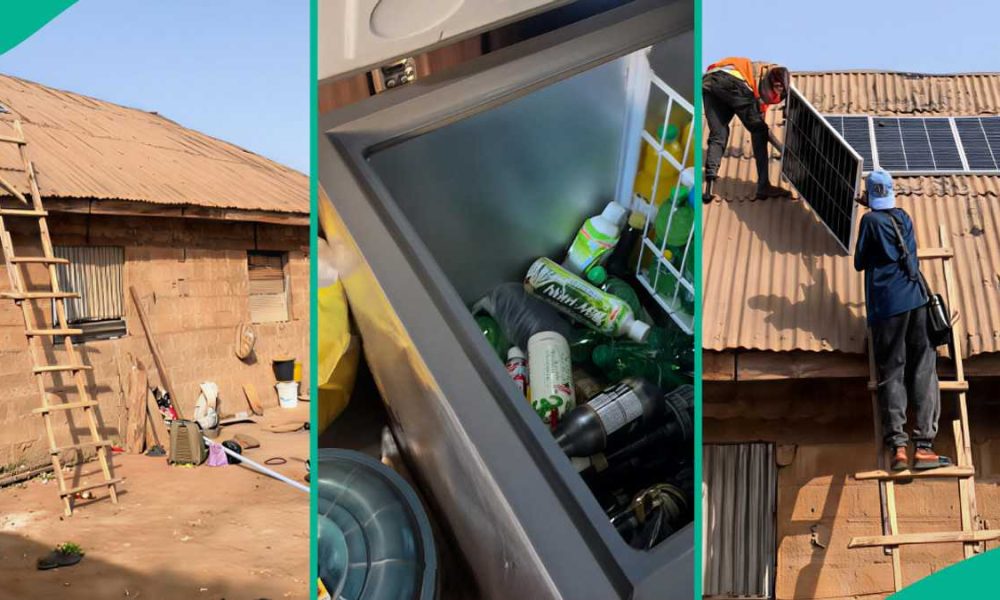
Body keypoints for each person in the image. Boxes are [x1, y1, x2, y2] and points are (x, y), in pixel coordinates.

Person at [854, 169, 950, 471]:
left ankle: (897, 447)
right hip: (916, 300)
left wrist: (867, 210)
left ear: (869, 196)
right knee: (924, 370)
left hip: (888, 308)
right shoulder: (904, 217)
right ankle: (924, 447)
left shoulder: (869, 221)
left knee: (892, 372)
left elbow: (859, 261)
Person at [702, 57, 791, 203]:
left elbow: (758, 117)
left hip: (709, 82)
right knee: (759, 131)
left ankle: (709, 186)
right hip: (731, 81)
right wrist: (783, 149)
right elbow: (760, 128)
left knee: (719, 133)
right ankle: (764, 186)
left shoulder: (759, 85)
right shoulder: (766, 74)